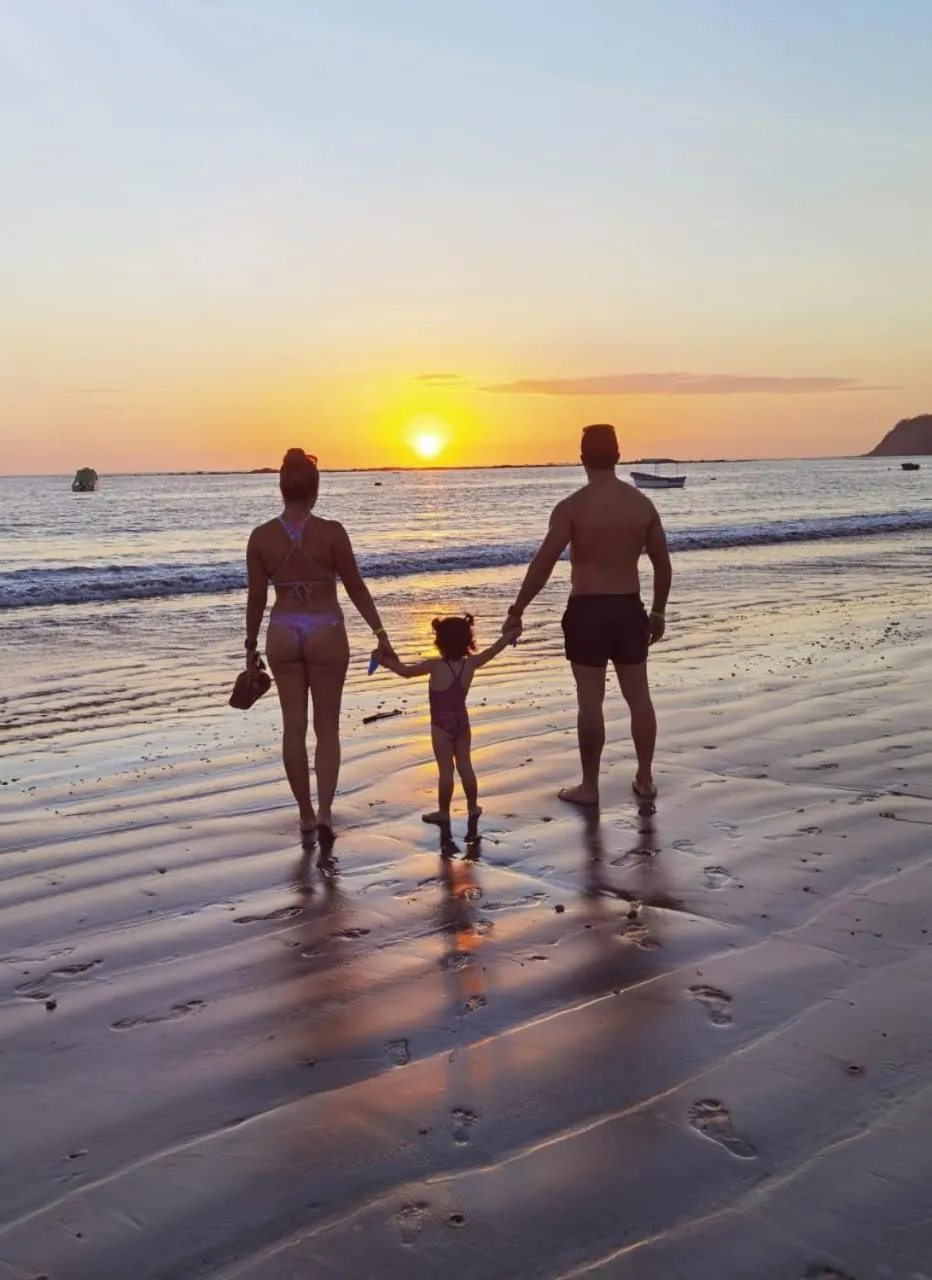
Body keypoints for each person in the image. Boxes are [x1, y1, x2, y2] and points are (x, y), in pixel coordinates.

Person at [502, 424, 672, 805]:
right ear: (618, 456)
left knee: (590, 702)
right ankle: (645, 779)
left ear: (582, 459)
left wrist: (517, 610)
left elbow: (542, 565)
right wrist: (658, 611)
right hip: (628, 609)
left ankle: (591, 787)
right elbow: (663, 566)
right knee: (639, 697)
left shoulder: (571, 508)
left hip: (587, 612)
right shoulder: (642, 506)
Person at [244, 449, 394, 840]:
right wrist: (380, 634)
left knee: (293, 727)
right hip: (326, 628)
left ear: (281, 488)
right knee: (327, 728)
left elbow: (257, 599)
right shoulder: (332, 532)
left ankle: (306, 815)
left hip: (283, 630)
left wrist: (250, 646)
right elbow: (356, 588)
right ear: (315, 489)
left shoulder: (261, 538)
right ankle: (325, 812)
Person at [372, 613, 520, 839]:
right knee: (465, 766)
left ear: (439, 642)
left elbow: (405, 672)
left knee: (446, 770)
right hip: (462, 722)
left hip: (441, 726)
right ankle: (472, 806)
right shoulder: (471, 664)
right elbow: (494, 649)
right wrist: (511, 634)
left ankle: (443, 811)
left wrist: (384, 661)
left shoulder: (434, 666)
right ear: (468, 641)